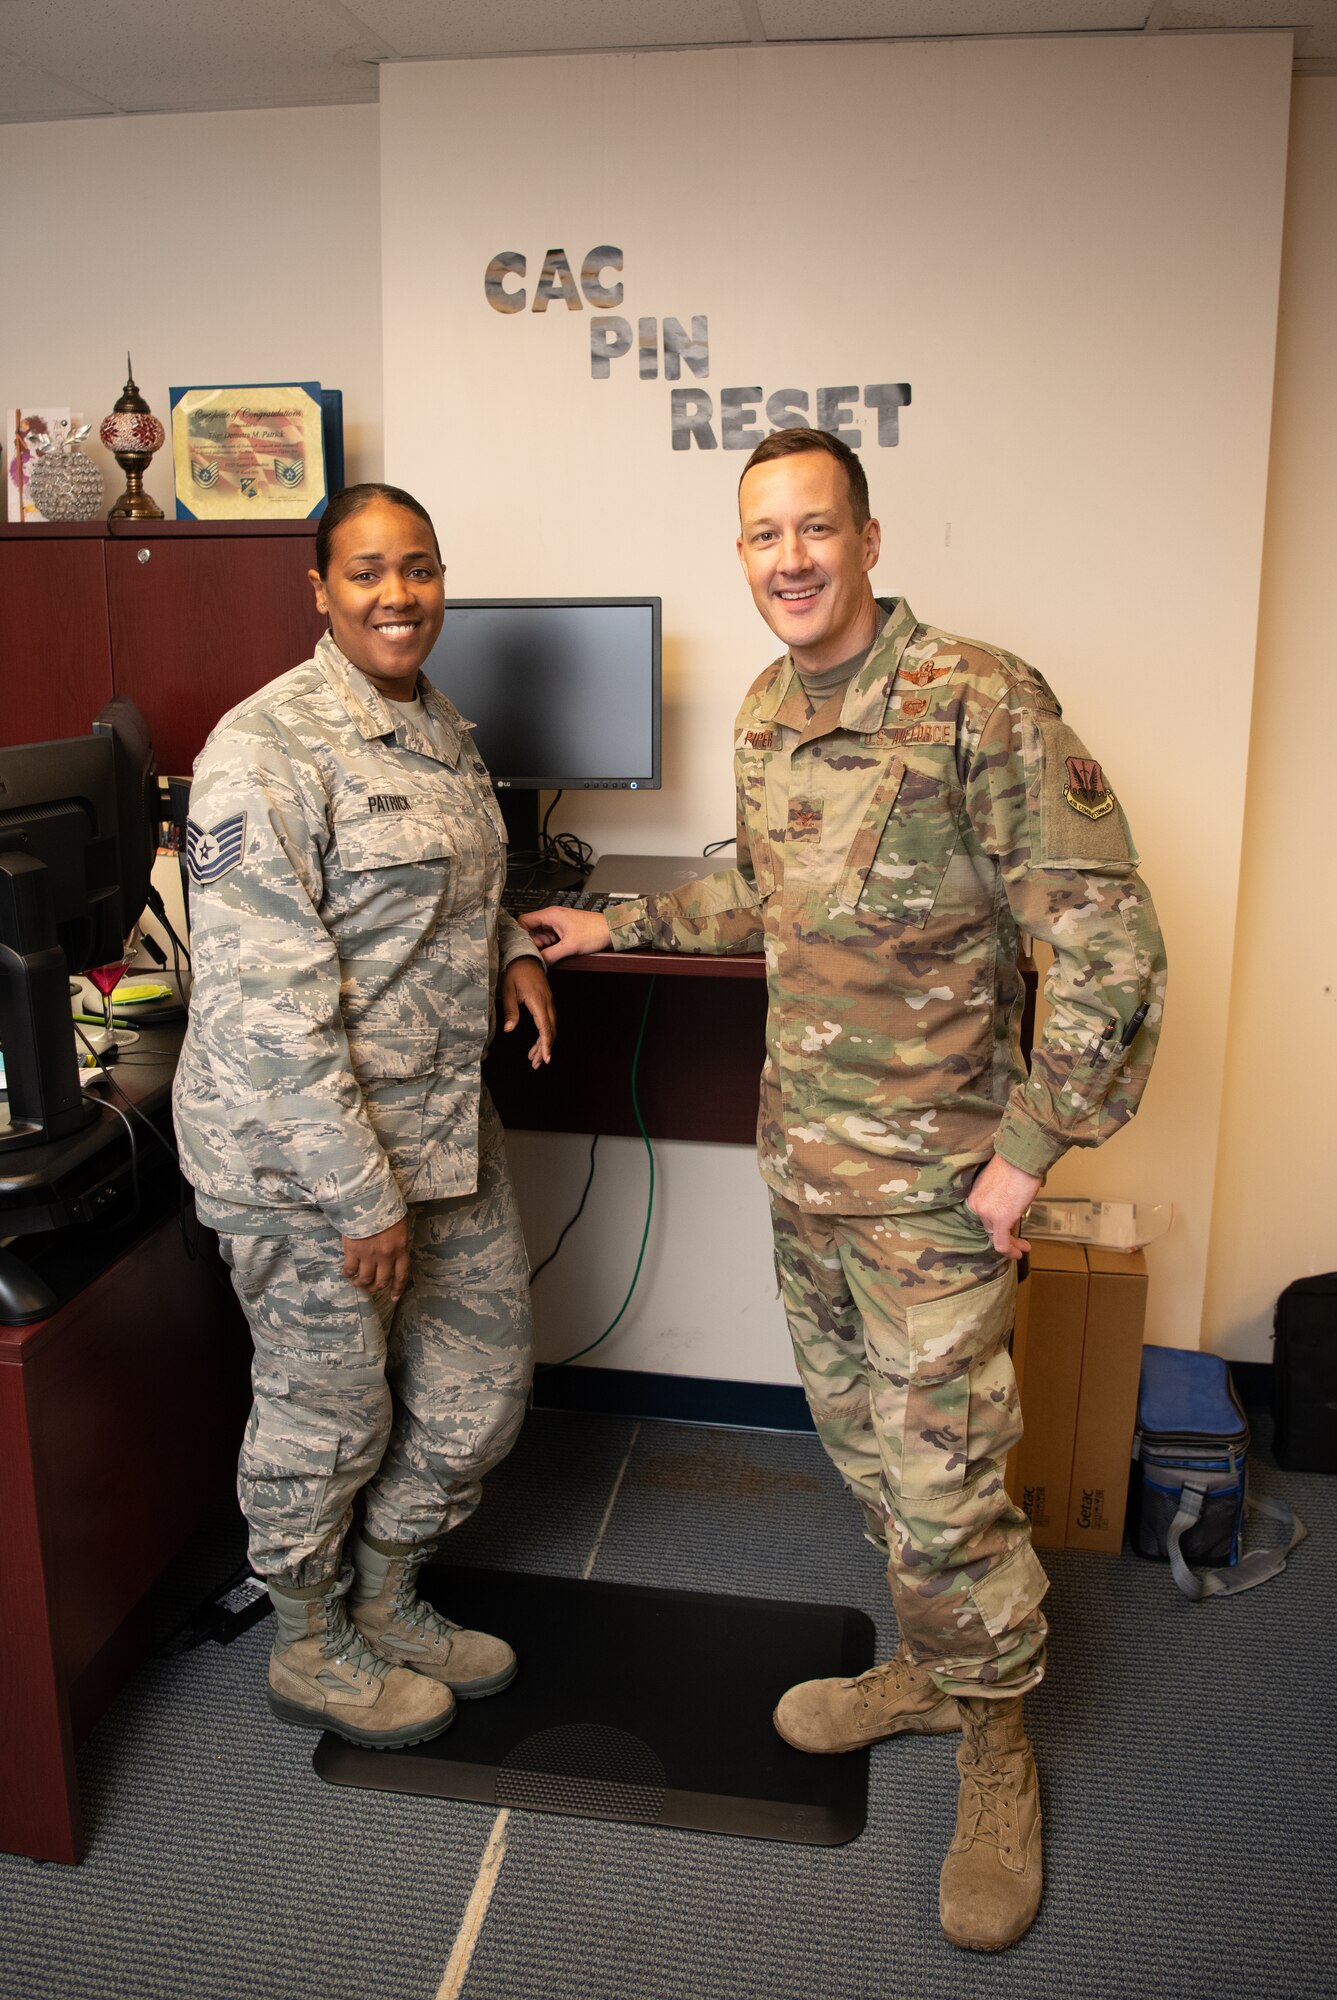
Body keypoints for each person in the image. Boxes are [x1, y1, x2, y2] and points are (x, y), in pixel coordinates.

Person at [525, 429, 1167, 1952]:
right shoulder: (766, 710)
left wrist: (1031, 1147)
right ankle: (936, 1669)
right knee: (867, 1450)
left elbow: (1104, 939)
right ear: (742, 557)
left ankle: (998, 1742)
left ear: (871, 541)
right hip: (804, 1167)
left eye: (816, 529)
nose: (790, 559)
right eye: (762, 536)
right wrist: (612, 915)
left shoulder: (982, 703)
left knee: (946, 1481)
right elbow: (765, 888)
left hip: (941, 1190)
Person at [173, 482, 555, 1751]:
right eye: (370, 572)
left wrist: (512, 948)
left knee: (477, 1388)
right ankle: (306, 1634)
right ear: (320, 589)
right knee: (327, 1409)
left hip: (443, 1124)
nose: (401, 594)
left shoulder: (439, 724)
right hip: (310, 1159)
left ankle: (389, 1590)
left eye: (423, 568)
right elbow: (266, 1010)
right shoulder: (263, 749)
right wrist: (361, 1197)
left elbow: (441, 889)